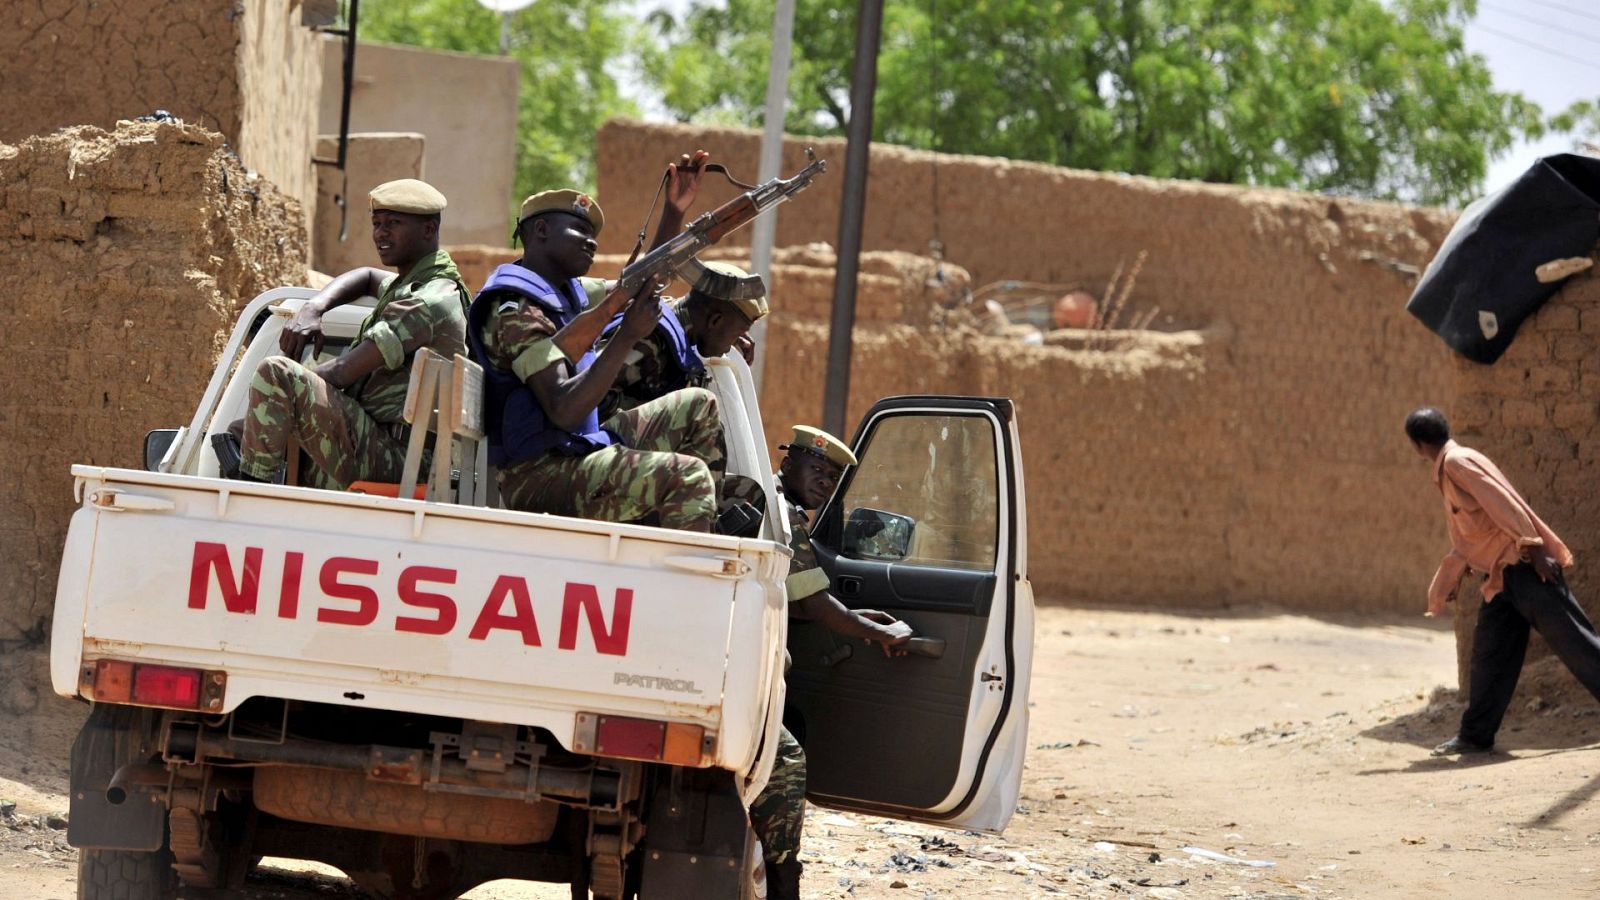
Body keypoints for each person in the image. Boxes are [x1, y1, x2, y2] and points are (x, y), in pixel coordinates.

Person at [467, 154, 726, 531]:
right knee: (687, 477)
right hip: (541, 475)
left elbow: (637, 284)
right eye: (579, 231)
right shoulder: (514, 310)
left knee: (699, 406)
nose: (593, 243)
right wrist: (627, 336)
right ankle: (689, 576)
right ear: (540, 231)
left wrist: (673, 212)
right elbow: (564, 410)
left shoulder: (563, 292)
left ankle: (696, 526)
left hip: (574, 449)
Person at [750, 425, 914, 899]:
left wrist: (859, 618)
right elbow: (818, 607)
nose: (824, 481)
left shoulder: (779, 506)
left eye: (833, 477)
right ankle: (784, 884)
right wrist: (880, 632)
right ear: (788, 463)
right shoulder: (780, 509)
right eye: (817, 469)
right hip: (742, 674)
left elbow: (801, 600)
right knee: (786, 762)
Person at [229, 179, 469, 487]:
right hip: (396, 450)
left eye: (394, 223)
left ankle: (247, 494)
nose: (381, 233)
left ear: (428, 230)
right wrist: (314, 307)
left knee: (276, 373)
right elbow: (367, 276)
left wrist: (275, 405)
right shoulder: (425, 285)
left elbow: (343, 371)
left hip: (398, 457)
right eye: (377, 223)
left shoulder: (425, 301)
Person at [1406, 406, 1600, 756]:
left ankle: (1475, 735)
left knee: (1578, 644)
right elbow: (1475, 532)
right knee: (1490, 655)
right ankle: (1475, 736)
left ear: (1418, 445)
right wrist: (1454, 577)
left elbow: (1505, 505)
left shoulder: (1456, 463)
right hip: (1502, 577)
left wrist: (1535, 551)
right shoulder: (1455, 463)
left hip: (1525, 569)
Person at [595, 258, 768, 422]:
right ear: (714, 321)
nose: (733, 344)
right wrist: (663, 418)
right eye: (738, 333)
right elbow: (591, 396)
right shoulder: (651, 338)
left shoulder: (677, 321)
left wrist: (728, 333)